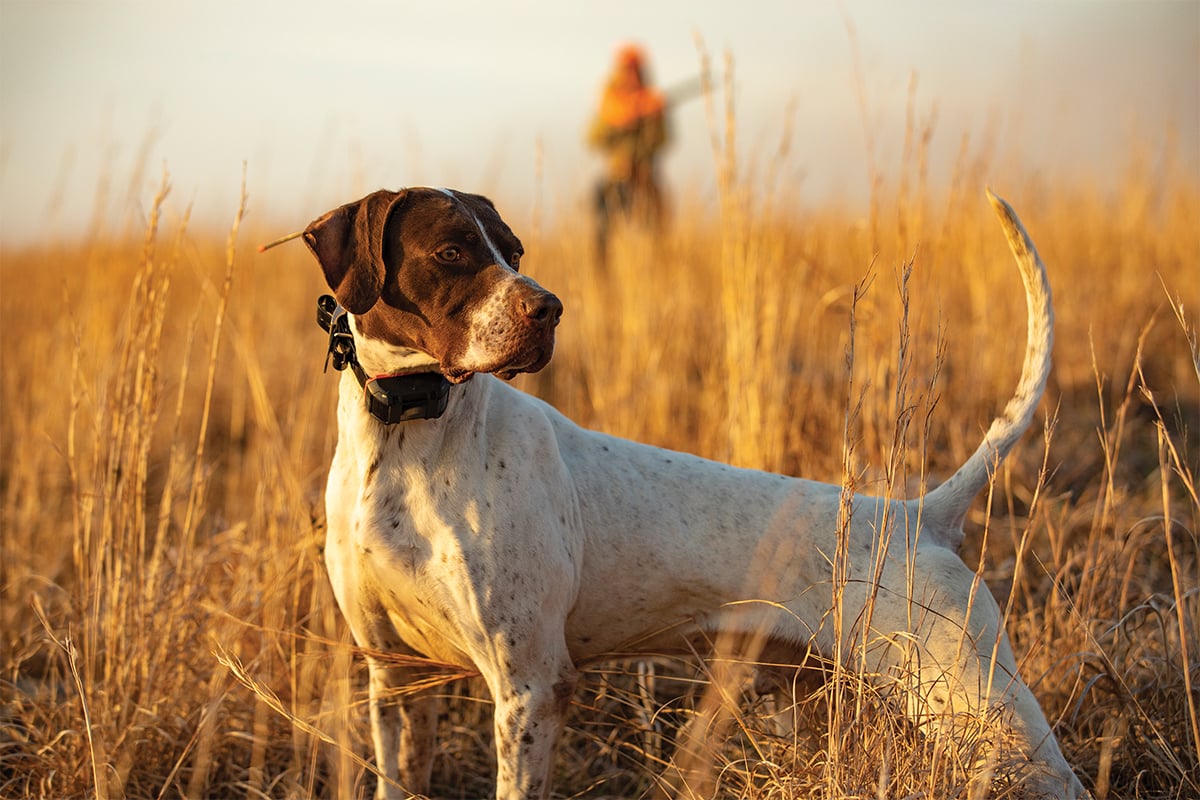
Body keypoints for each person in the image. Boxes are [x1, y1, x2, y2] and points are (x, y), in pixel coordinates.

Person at [587, 44, 670, 264]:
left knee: (658, 225)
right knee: (604, 226)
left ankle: (657, 266)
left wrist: (652, 117)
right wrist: (623, 121)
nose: (631, 74)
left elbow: (663, 141)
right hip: (616, 175)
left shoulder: (651, 101)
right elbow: (593, 138)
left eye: (635, 69)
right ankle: (603, 270)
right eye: (627, 69)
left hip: (644, 174)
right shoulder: (609, 103)